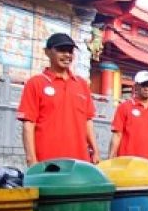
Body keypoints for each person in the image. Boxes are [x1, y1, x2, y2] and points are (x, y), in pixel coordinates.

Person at [17, 33, 99, 166]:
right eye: (61, 50)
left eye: (70, 51)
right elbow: (28, 125)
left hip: (80, 161)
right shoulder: (36, 83)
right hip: (47, 162)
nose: (67, 55)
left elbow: (88, 121)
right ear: (47, 52)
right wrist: (31, 159)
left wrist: (95, 150)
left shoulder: (81, 84)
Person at [109, 71, 148, 176]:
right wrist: (110, 159)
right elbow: (117, 135)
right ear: (136, 86)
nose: (146, 88)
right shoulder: (124, 107)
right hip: (127, 164)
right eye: (143, 85)